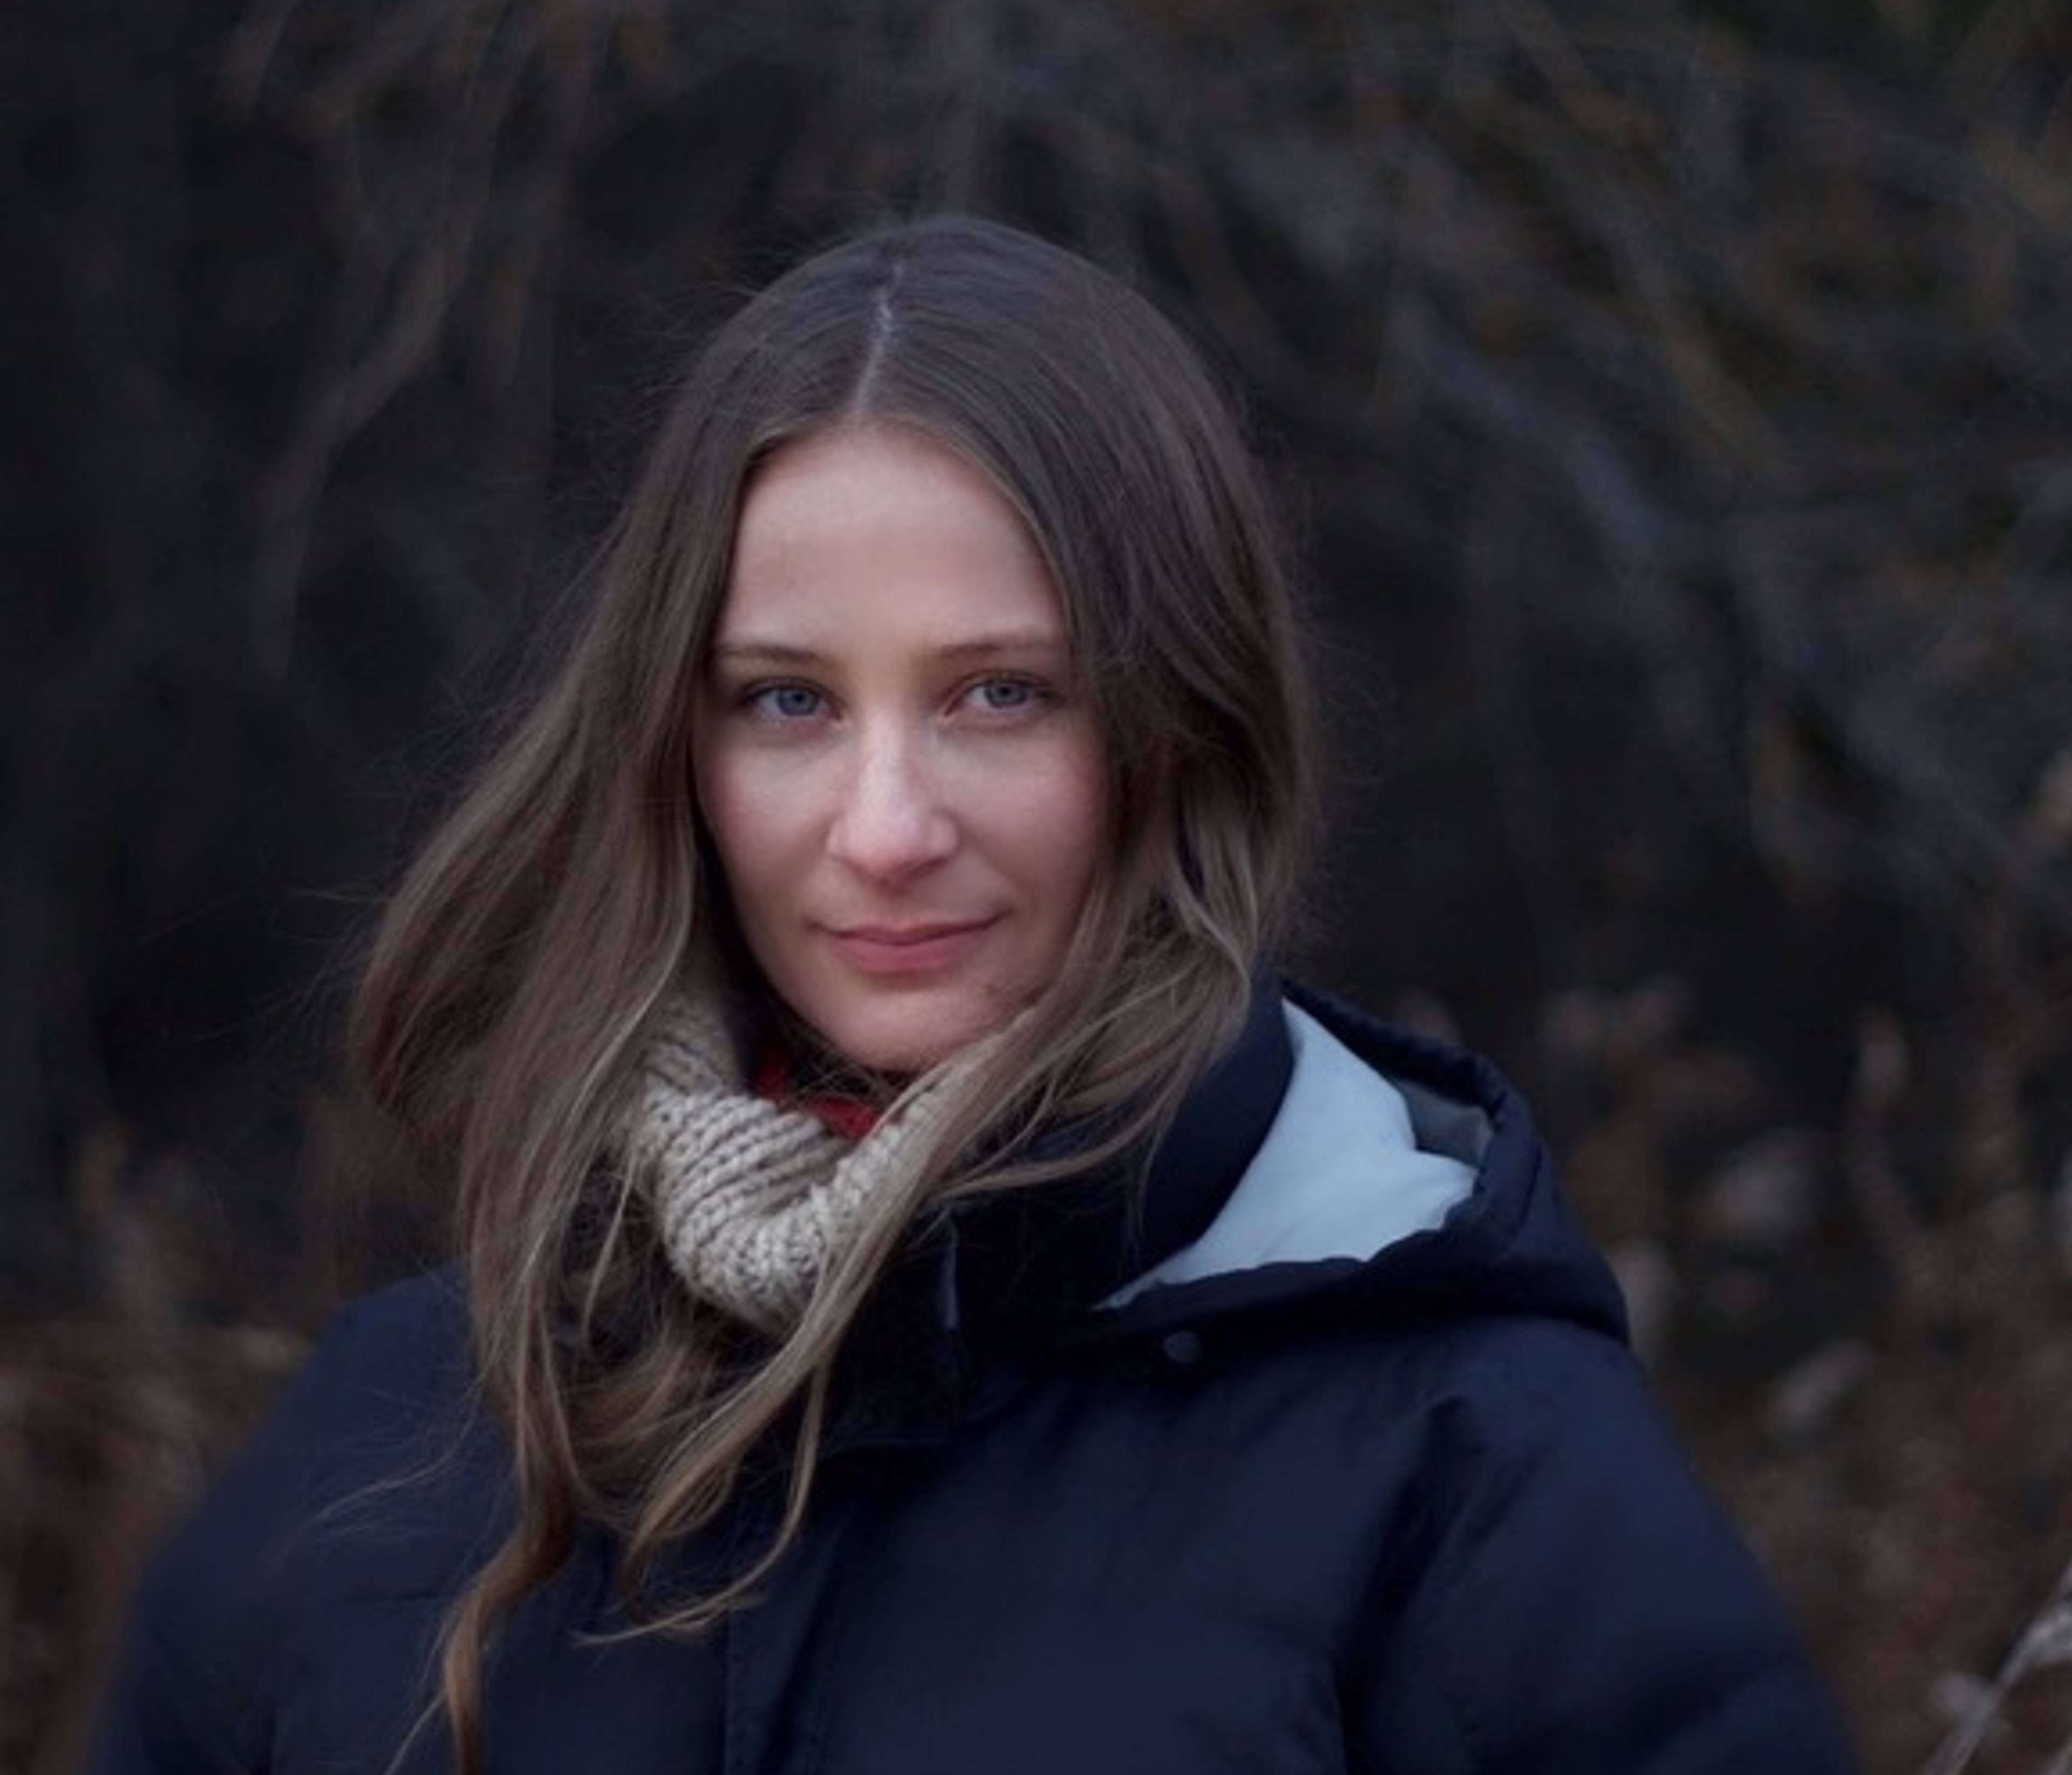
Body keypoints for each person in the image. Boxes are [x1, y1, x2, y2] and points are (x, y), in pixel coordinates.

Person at [90, 215, 1858, 1774]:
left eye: (1000, 695)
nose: (884, 829)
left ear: (1178, 727)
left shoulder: (1465, 1463)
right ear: (670, 749)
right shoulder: (405, 1430)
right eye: (787, 700)